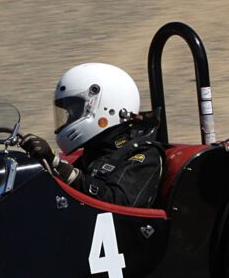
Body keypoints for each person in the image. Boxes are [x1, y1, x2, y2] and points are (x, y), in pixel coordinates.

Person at [19, 63, 165, 209]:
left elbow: (117, 204)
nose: (70, 118)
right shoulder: (95, 153)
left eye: (75, 111)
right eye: (69, 113)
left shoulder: (144, 154)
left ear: (108, 107)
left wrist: (59, 166)